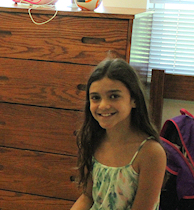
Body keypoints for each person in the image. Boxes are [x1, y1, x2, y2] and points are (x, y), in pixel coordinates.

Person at [70, 59, 169, 210]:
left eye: (114, 96)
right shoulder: (93, 141)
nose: (103, 105)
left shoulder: (151, 153)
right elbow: (87, 197)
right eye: (96, 97)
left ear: (134, 100)